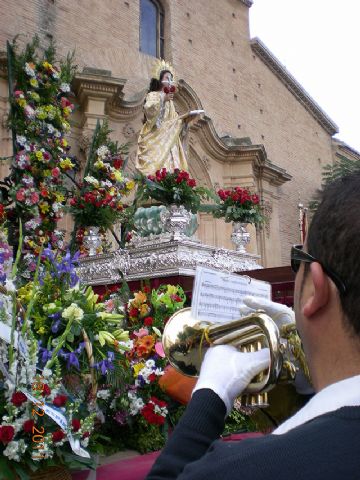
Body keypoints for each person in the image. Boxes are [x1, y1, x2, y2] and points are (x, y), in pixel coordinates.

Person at [146, 171, 360, 479]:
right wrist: (309, 380)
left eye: (298, 257)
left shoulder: (243, 470)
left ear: (314, 289)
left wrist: (210, 394)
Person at [135, 60, 200, 176]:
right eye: (167, 78)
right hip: (156, 139)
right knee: (157, 171)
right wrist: (162, 99)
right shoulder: (154, 95)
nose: (170, 81)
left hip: (170, 142)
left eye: (171, 78)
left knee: (171, 168)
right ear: (160, 80)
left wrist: (186, 119)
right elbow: (150, 111)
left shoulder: (171, 103)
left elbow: (174, 122)